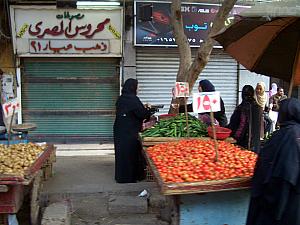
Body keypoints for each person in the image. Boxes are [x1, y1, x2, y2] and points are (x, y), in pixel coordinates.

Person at [246, 98, 300, 225]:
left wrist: (276, 207)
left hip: (279, 202)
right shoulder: (293, 132)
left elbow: (286, 173)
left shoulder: (288, 135)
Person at [113, 78, 152, 183]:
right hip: (129, 131)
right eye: (137, 86)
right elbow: (141, 114)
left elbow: (130, 111)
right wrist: (148, 110)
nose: (138, 89)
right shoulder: (133, 99)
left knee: (122, 154)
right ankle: (130, 177)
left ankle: (121, 177)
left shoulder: (121, 98)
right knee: (130, 153)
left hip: (120, 129)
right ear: (133, 87)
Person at [227, 85, 261, 152]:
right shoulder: (257, 107)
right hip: (255, 143)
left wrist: (234, 136)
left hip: (244, 143)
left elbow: (241, 125)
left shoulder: (242, 108)